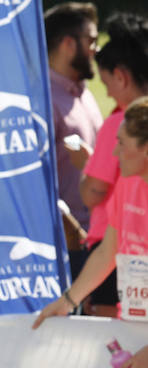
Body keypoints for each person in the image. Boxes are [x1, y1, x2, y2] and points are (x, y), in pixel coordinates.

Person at [34, 95, 148, 329]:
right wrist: (67, 301)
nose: (115, 153)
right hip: (133, 324)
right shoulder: (127, 184)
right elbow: (108, 250)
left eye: (122, 143)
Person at [77, 12, 148, 316]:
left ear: (121, 76)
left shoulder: (119, 123)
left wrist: (83, 164)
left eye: (106, 83)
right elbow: (110, 248)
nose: (105, 92)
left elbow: (92, 191)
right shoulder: (128, 182)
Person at [44, 2, 103, 232]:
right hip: (69, 242)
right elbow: (34, 183)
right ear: (68, 44)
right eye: (91, 40)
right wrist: (72, 233)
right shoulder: (43, 101)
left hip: (96, 233)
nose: (95, 49)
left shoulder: (84, 92)